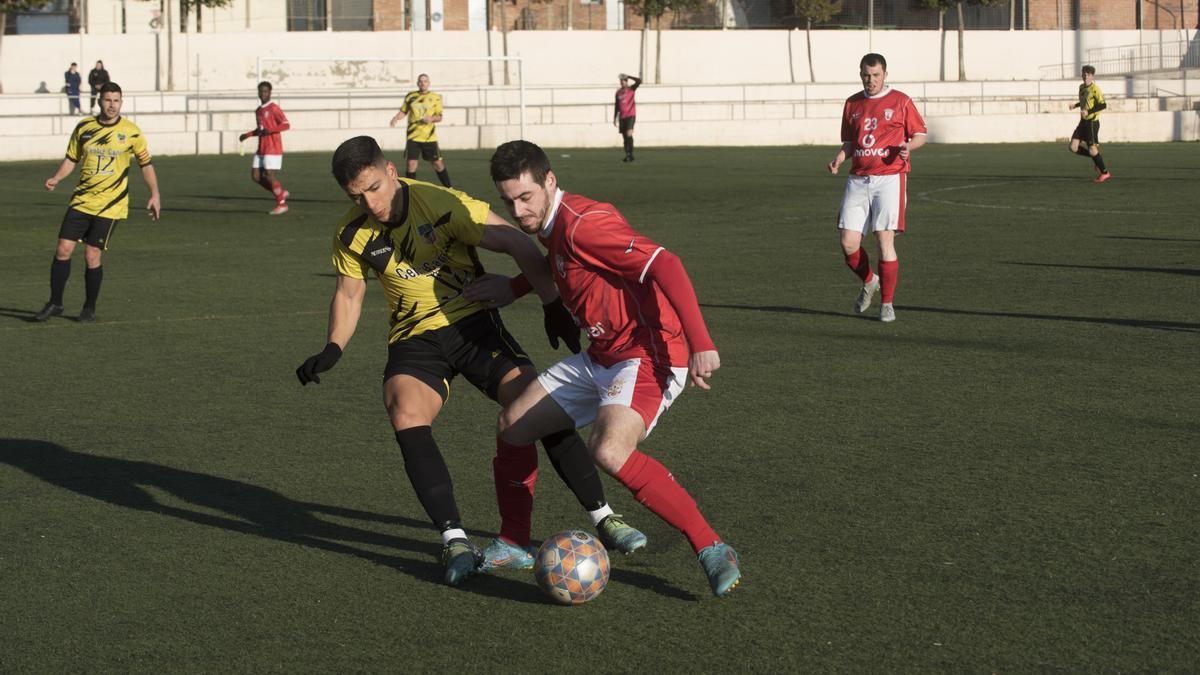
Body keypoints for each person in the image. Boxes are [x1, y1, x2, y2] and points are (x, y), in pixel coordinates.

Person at [295, 136, 646, 587]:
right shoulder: (351, 233)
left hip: (473, 325)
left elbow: (520, 244)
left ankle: (604, 517)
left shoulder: (444, 204)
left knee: (536, 404)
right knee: (404, 410)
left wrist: (551, 304)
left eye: (373, 188)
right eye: (356, 196)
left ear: (391, 171)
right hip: (415, 338)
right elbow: (349, 293)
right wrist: (333, 348)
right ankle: (455, 539)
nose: (369, 203)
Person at [469, 140, 742, 598]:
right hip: (601, 353)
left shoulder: (583, 224)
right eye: (508, 201)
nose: (516, 211)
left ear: (550, 181)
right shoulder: (554, 223)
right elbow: (566, 267)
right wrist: (514, 287)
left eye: (525, 197)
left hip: (647, 353)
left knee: (609, 451)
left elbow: (665, 264)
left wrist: (701, 343)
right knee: (513, 424)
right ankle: (514, 543)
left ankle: (712, 546)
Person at [35, 82, 161, 323]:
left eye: (116, 100)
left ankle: (89, 308)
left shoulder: (132, 132)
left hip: (110, 205)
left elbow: (146, 165)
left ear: (121, 103)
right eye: (107, 100)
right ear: (99, 101)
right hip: (82, 200)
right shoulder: (84, 127)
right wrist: (57, 178)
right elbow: (71, 158)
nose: (112, 105)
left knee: (92, 255)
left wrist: (154, 193)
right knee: (63, 250)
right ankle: (55, 302)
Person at [828, 53, 927, 323]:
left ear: (885, 74)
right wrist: (839, 158)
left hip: (890, 178)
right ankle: (870, 281)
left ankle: (887, 304)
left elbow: (920, 134)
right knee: (848, 243)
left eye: (875, 75)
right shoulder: (852, 103)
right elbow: (849, 142)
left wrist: (908, 146)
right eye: (865, 75)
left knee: (884, 240)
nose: (870, 80)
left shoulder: (901, 101)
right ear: (860, 74)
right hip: (858, 178)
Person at [389, 74, 452, 187]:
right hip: (413, 136)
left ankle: (449, 188)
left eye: (425, 81)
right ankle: (409, 191)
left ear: (429, 83)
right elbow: (404, 111)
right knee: (411, 164)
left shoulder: (436, 97)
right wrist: (395, 118)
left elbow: (440, 116)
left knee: (438, 164)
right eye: (421, 81)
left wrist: (431, 118)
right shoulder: (410, 96)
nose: (423, 83)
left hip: (429, 137)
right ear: (418, 83)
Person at [239, 81, 291, 215]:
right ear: (258, 93)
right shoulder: (258, 110)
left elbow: (285, 124)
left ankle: (282, 204)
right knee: (255, 177)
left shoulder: (274, 108)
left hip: (273, 148)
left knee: (270, 176)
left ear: (270, 93)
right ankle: (280, 192)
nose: (263, 93)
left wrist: (271, 130)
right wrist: (248, 134)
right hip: (261, 148)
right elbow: (261, 129)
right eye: (261, 91)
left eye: (266, 91)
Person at [1068, 65, 1111, 184]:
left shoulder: (1096, 89)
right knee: (1073, 147)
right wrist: (1075, 106)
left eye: (1088, 75)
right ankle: (1097, 158)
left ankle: (1105, 172)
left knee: (1092, 149)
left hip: (1092, 122)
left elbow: (1103, 105)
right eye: (1084, 74)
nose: (1085, 77)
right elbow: (1084, 101)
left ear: (1092, 76)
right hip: (1083, 122)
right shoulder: (1081, 87)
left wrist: (1088, 112)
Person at [614, 73, 641, 162]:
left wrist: (628, 76)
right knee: (625, 137)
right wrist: (615, 117)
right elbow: (617, 106)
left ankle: (630, 154)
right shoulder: (618, 92)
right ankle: (628, 155)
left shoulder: (631, 89)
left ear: (626, 81)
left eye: (624, 81)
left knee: (629, 134)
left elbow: (639, 81)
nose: (622, 83)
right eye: (621, 81)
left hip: (630, 115)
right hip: (622, 117)